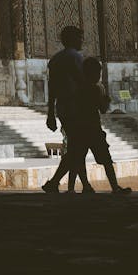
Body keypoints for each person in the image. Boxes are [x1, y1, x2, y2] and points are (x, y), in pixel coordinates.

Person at [42, 25, 92, 193]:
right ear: (71, 39)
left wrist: (50, 113)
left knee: (76, 147)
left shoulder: (55, 60)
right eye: (79, 38)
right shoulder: (75, 57)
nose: (81, 41)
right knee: (77, 148)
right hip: (75, 108)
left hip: (62, 109)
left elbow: (52, 88)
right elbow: (82, 82)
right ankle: (55, 182)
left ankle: (84, 185)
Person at [72, 57, 132, 194]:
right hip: (93, 128)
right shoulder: (95, 89)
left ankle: (86, 185)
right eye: (97, 73)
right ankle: (114, 186)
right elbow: (103, 109)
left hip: (80, 128)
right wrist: (106, 99)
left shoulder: (78, 89)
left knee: (80, 157)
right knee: (106, 159)